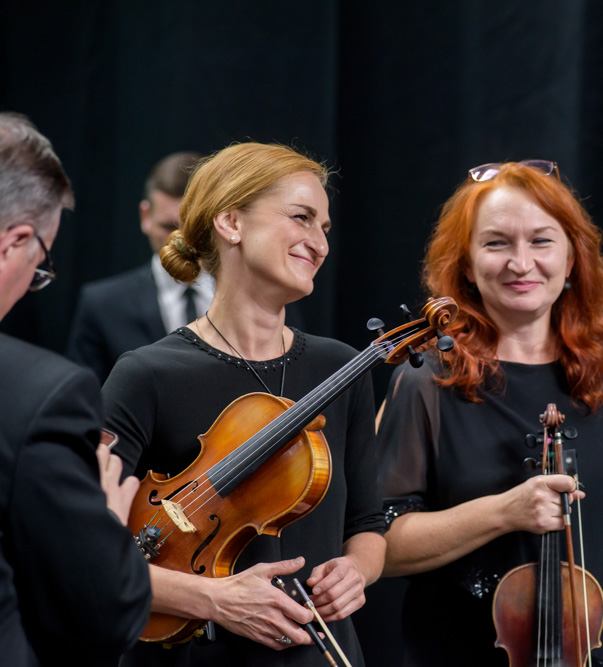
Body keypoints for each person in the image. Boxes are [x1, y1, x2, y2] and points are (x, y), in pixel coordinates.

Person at [375, 159, 603, 666]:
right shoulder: (428, 382)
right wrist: (503, 513)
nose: (520, 263)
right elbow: (381, 545)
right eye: (496, 243)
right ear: (466, 264)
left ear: (572, 257)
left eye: (541, 240)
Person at [101, 142, 386, 666]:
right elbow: (86, 551)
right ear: (230, 222)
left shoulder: (341, 368)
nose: (320, 244)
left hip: (319, 652)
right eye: (302, 218)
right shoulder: (146, 374)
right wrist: (216, 600)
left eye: (325, 227)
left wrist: (357, 571)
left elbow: (367, 524)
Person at [0, 112, 150, 664]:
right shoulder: (39, 395)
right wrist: (108, 523)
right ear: (14, 242)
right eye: (39, 264)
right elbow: (107, 613)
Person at [66, 151, 210, 383]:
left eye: (192, 228)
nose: (181, 240)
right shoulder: (102, 304)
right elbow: (84, 402)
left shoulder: (258, 296)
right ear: (146, 216)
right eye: (168, 227)